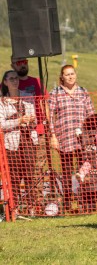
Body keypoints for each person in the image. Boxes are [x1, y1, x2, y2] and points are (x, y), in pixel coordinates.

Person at [48, 65, 95, 212]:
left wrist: (93, 134)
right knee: (67, 171)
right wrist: (53, 136)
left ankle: (87, 203)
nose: (70, 77)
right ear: (62, 77)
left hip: (83, 138)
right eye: (67, 74)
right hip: (64, 137)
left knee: (84, 170)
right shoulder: (56, 92)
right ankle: (68, 204)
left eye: (72, 74)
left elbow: (91, 113)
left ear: (76, 75)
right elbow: (49, 116)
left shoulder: (83, 92)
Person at [10, 57, 48, 203]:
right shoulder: (8, 82)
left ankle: (37, 203)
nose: (22, 64)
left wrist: (47, 127)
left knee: (36, 168)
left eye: (24, 61)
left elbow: (45, 104)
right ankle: (17, 202)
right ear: (12, 65)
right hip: (15, 136)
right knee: (18, 169)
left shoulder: (36, 82)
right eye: (18, 62)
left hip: (37, 132)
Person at [0, 70, 38, 215]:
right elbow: (1, 124)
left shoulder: (28, 97)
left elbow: (34, 117)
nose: (15, 81)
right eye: (11, 79)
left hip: (28, 140)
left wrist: (31, 119)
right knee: (14, 176)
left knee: (29, 174)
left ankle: (32, 207)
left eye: (16, 78)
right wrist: (18, 121)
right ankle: (13, 207)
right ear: (5, 82)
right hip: (12, 143)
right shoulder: (2, 102)